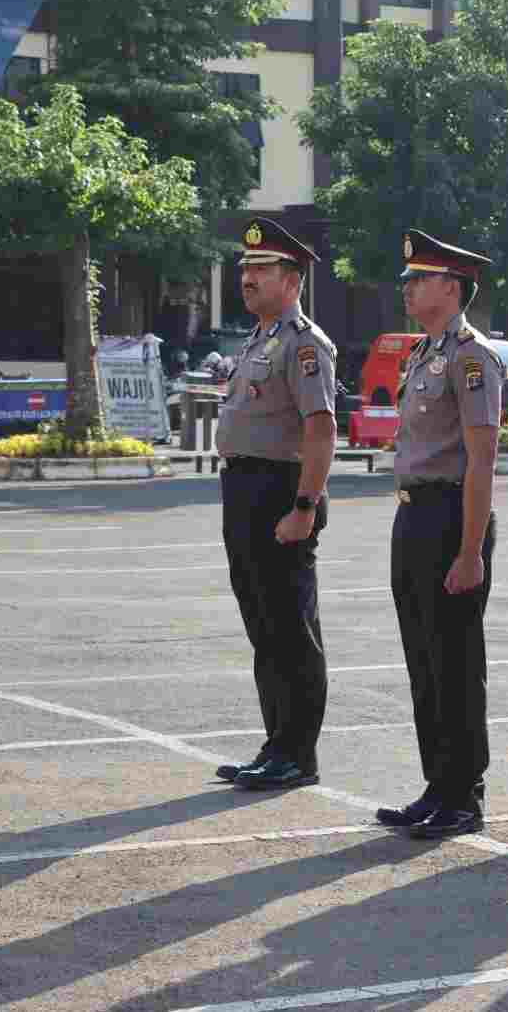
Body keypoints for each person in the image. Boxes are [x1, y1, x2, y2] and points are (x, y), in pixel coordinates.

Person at [373, 231, 502, 838]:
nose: (407, 288)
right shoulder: (424, 353)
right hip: (414, 515)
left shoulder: (472, 357)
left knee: (455, 661)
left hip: (452, 516)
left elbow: (482, 458)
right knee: (423, 659)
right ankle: (438, 783)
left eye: (419, 279)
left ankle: (464, 794)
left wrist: (471, 549)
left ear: (451, 288)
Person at [213, 218, 337, 791]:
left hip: (282, 491)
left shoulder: (304, 343)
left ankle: (298, 753)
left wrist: (305, 505)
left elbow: (321, 428)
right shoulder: (258, 339)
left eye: (261, 269)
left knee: (290, 626)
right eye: (245, 268)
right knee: (263, 624)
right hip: (244, 490)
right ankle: (276, 744)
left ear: (291, 279)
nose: (248, 278)